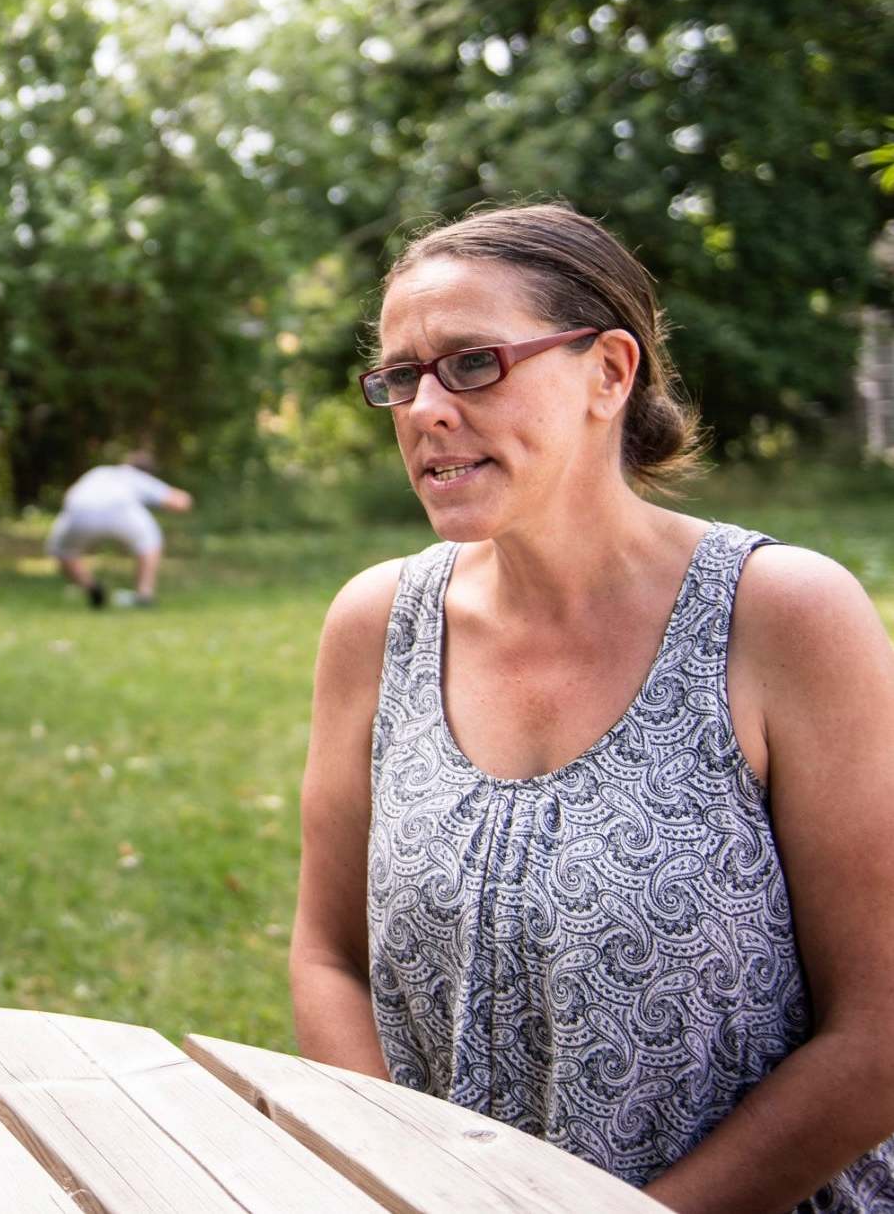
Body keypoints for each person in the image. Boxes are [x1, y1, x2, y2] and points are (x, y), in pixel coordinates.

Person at [290, 203, 894, 1212]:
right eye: (399, 375)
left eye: (471, 362)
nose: (422, 407)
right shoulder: (376, 624)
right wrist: (401, 1176)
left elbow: (879, 1023)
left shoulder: (780, 615)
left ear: (607, 373)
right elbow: (326, 957)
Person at [46, 451, 194, 608]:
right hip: (119, 510)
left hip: (77, 511)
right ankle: (144, 595)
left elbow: (68, 495)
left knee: (62, 551)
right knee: (152, 541)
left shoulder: (100, 471)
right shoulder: (136, 476)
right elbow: (181, 502)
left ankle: (91, 587)